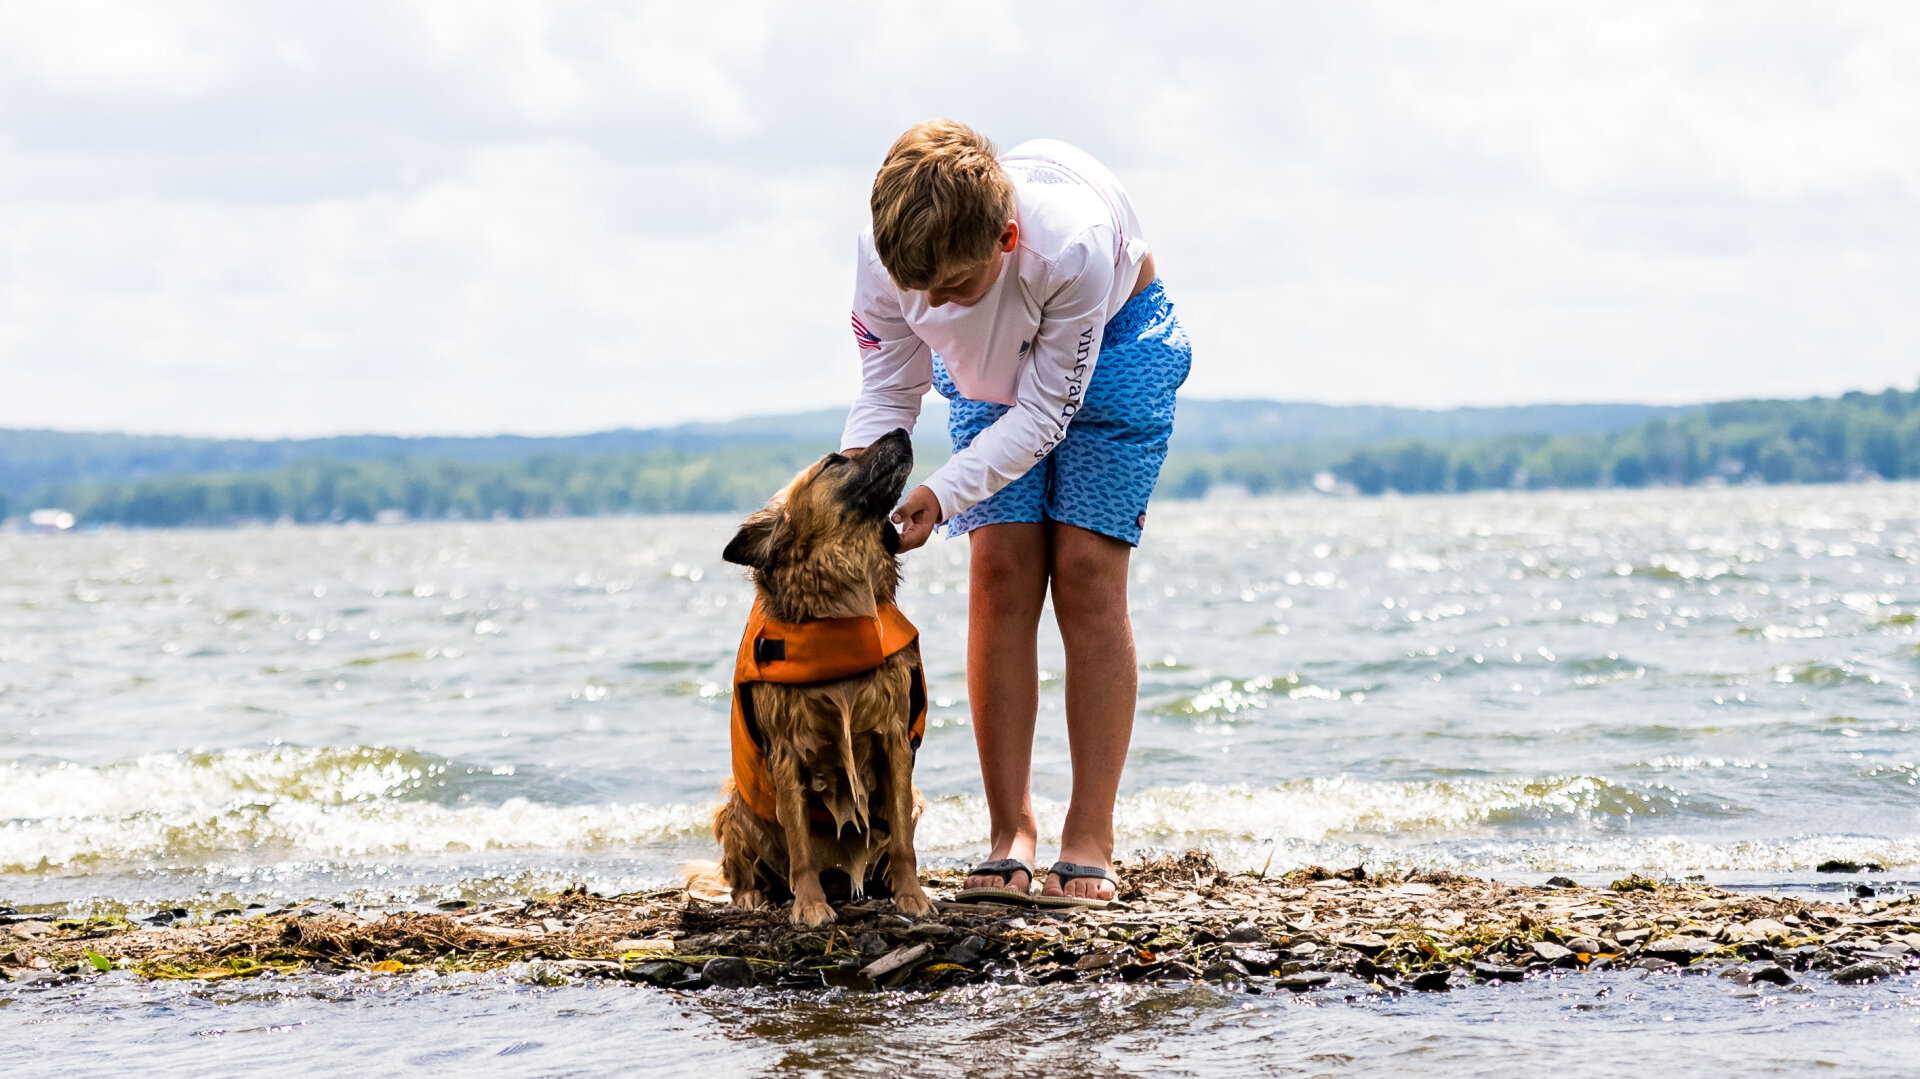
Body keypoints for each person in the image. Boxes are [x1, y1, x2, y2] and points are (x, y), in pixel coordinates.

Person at [838, 120, 1190, 904]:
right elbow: (891, 387)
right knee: (998, 566)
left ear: (1003, 238)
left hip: (1115, 345)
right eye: (915, 289)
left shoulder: (1070, 246)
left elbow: (1041, 418)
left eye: (952, 289)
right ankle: (1010, 833)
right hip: (987, 370)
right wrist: (855, 492)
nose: (930, 306)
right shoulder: (890, 250)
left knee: (1085, 571)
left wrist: (940, 492)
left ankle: (1089, 835)